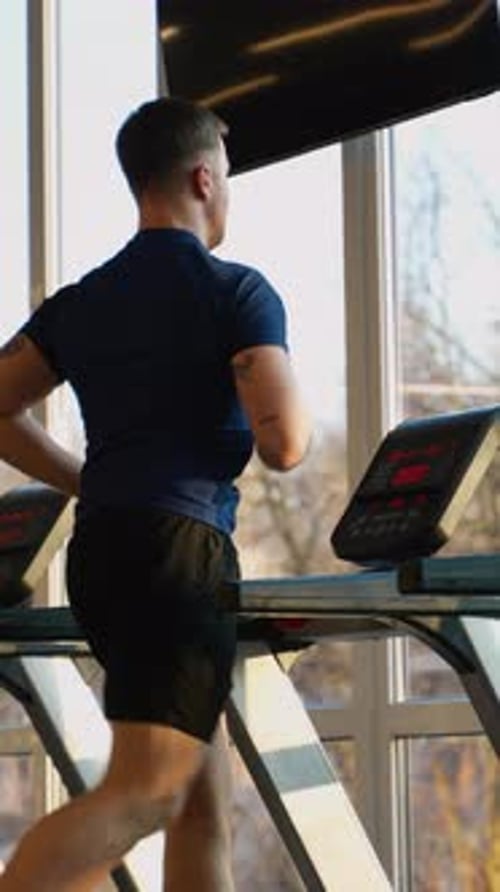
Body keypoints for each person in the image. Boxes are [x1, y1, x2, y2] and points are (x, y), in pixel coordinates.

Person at [0, 97, 311, 891]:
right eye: (229, 176)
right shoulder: (236, 290)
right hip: (176, 555)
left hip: (103, 548)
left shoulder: (85, 299)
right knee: (146, 791)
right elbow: (285, 444)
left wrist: (89, 480)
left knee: (197, 796)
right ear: (205, 177)